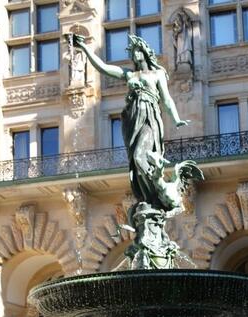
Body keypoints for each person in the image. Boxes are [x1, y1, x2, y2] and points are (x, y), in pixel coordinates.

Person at [72, 33, 189, 207]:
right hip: (133, 118)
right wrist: (85, 49)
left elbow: (166, 99)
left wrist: (176, 118)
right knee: (135, 160)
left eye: (137, 51)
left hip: (149, 117)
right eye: (132, 52)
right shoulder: (129, 75)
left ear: (144, 52)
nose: (134, 55)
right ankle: (147, 197)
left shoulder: (157, 74)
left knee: (140, 155)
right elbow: (103, 67)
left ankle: (155, 194)